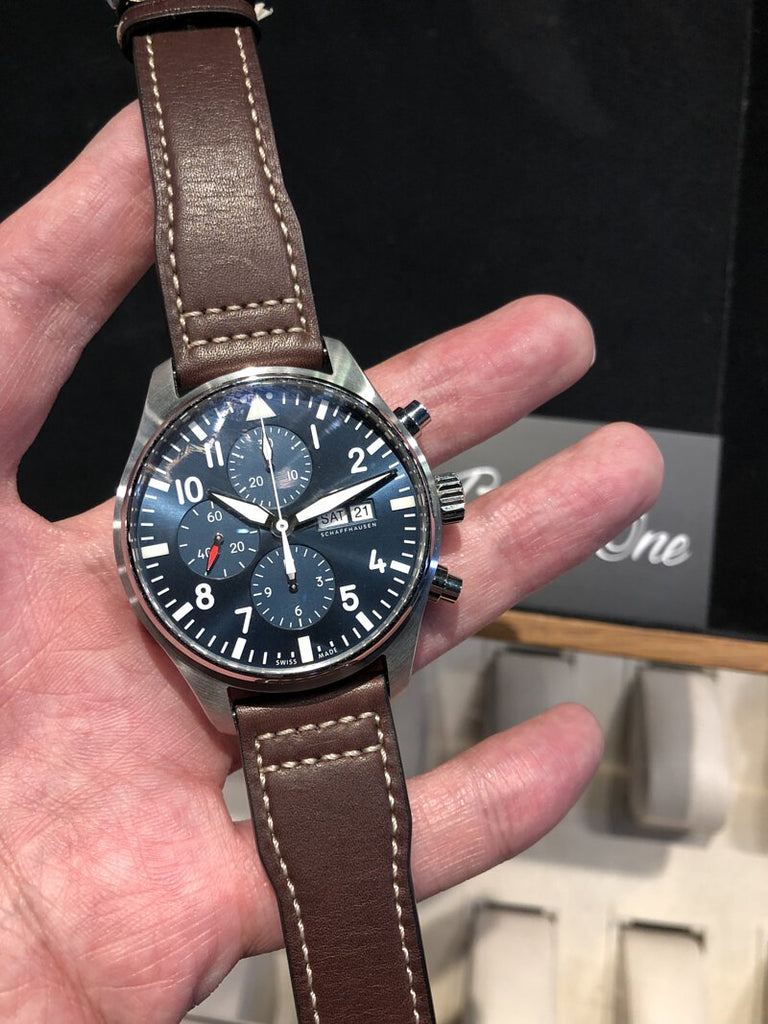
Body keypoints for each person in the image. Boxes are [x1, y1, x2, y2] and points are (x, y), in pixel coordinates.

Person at [0, 103, 662, 1022]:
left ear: (429, 495)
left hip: (328, 640)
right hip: (258, 658)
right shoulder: (171, 506)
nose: (277, 527)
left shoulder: (276, 459)